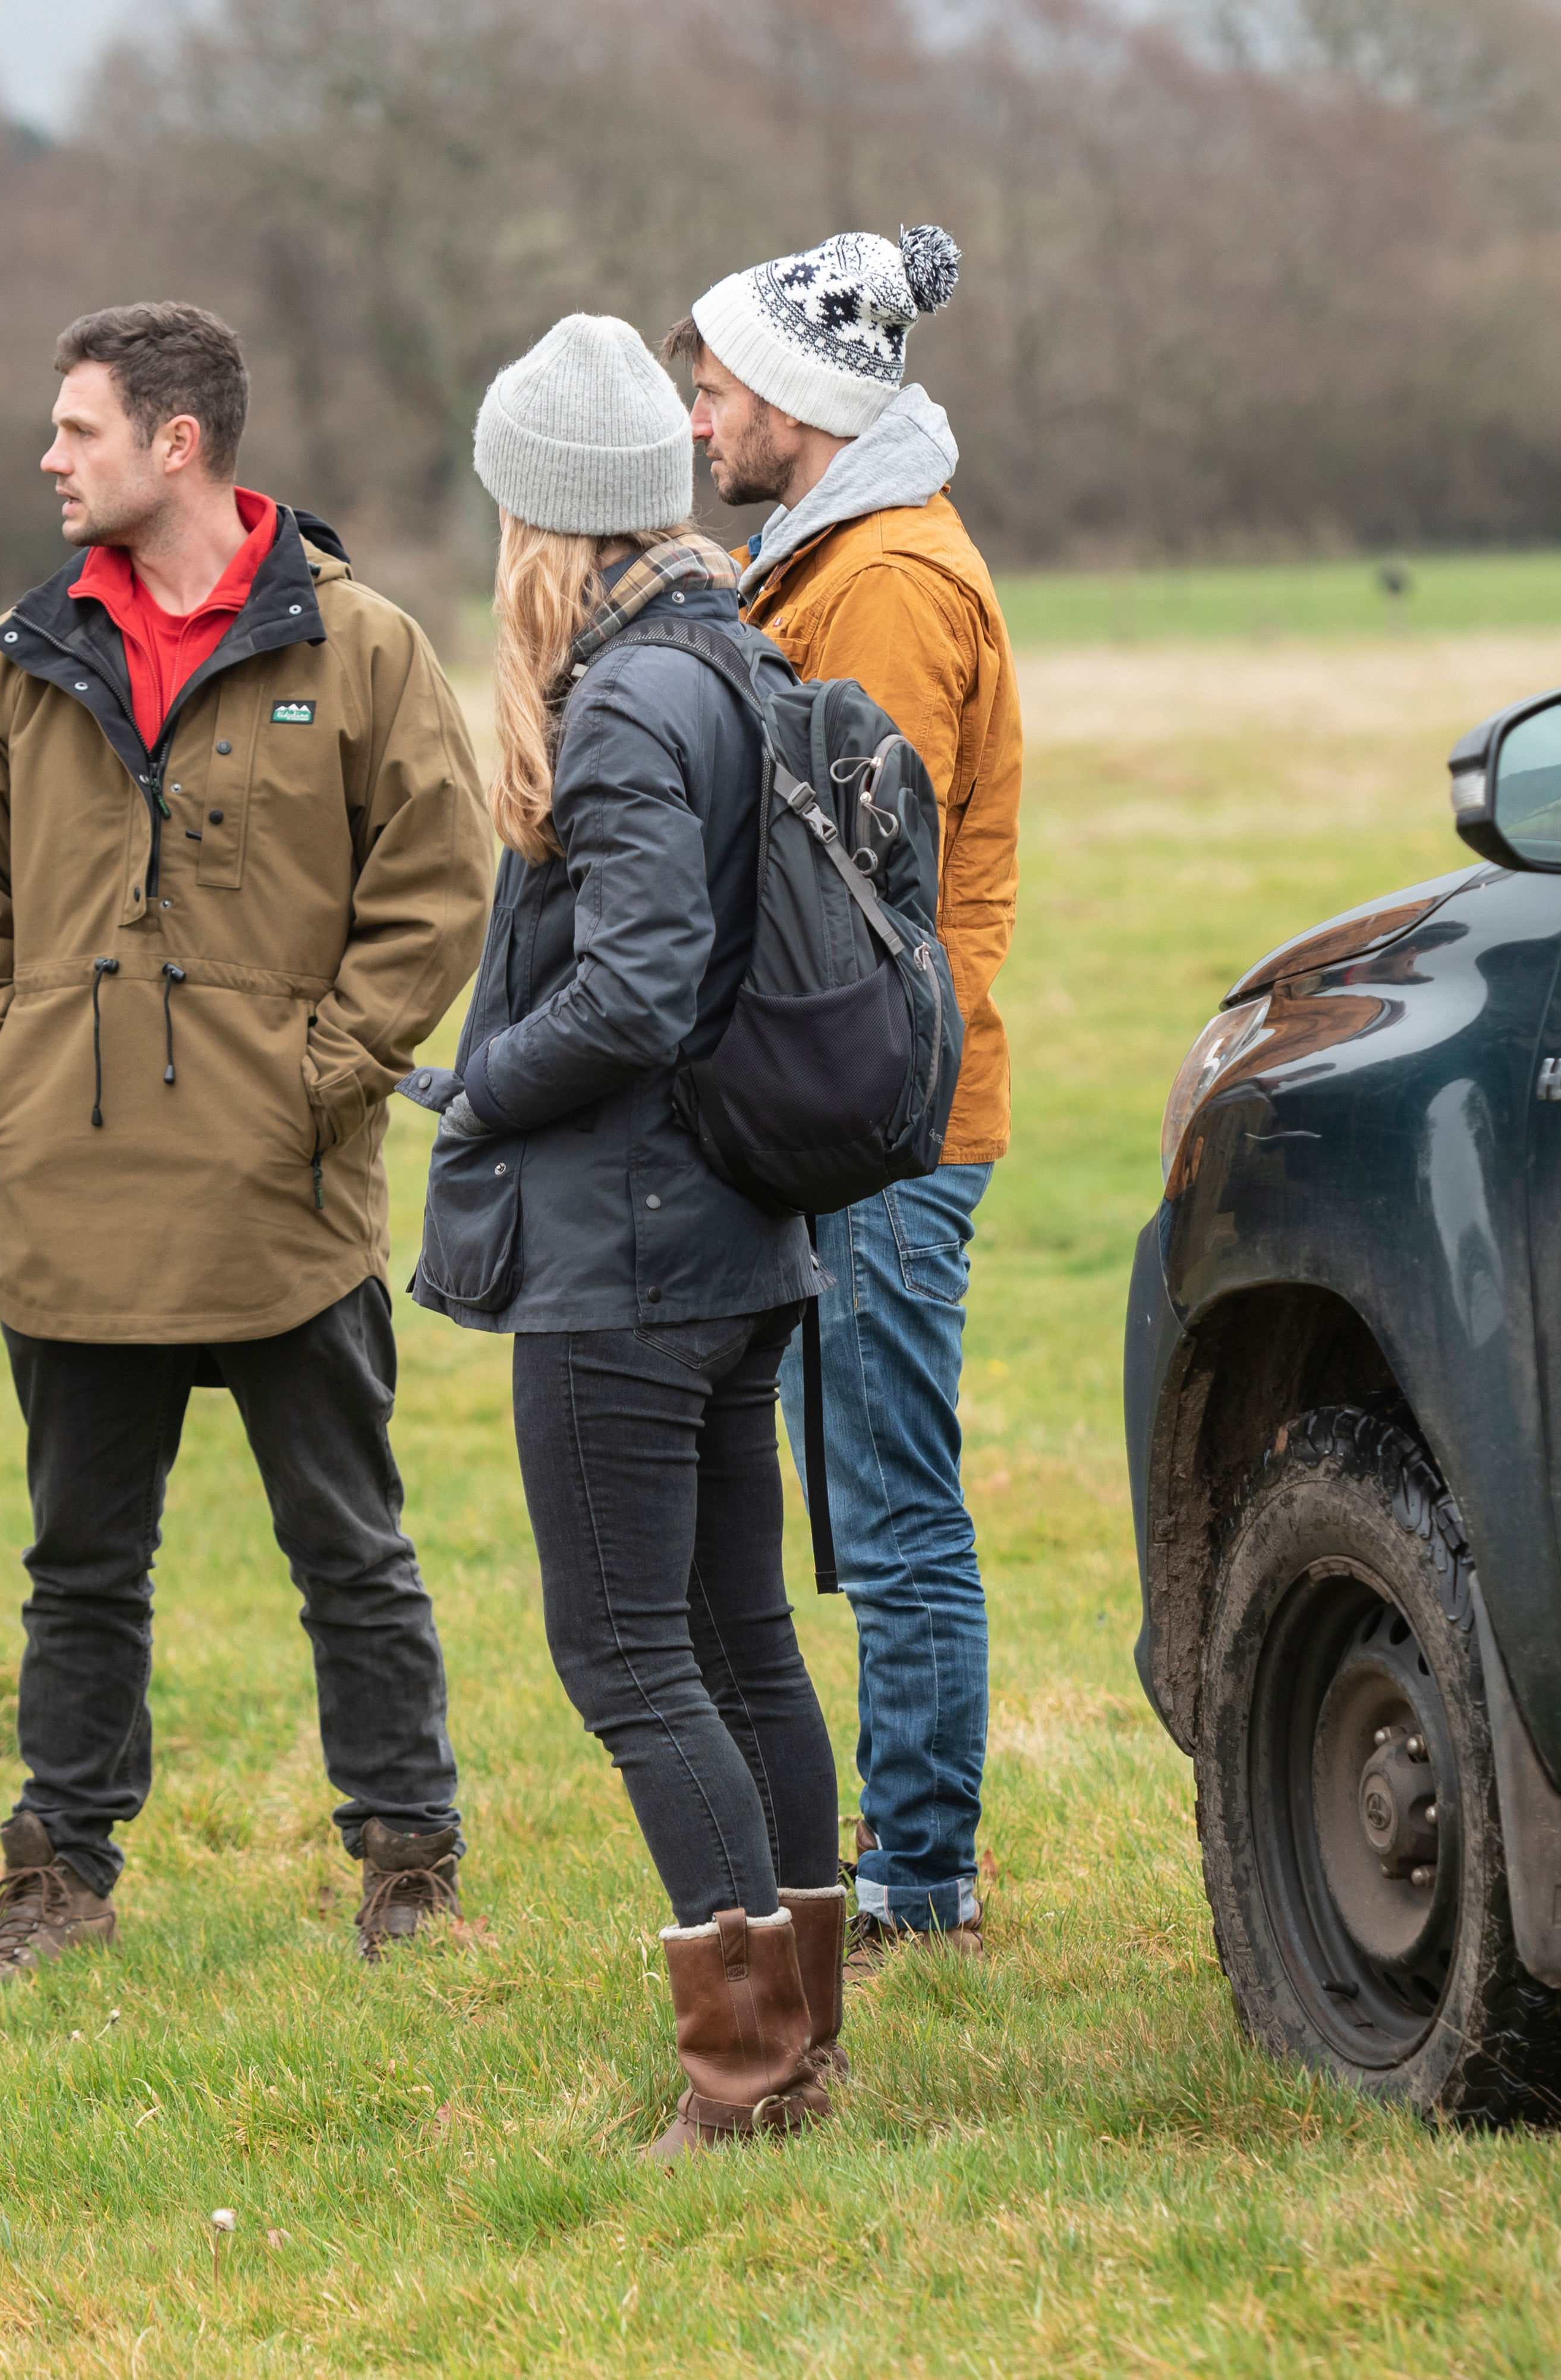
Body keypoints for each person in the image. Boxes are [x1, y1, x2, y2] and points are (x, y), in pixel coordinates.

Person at [0, 303, 493, 1985]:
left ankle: (408, 1858)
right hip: (74, 1207)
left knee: (350, 1548)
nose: (48, 457)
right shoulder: (13, 664)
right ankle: (58, 1876)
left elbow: (438, 888)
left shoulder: (364, 651)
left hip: (285, 1196)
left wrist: (325, 1072)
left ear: (178, 444)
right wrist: (6, 1072)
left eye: (76, 429)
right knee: (81, 1564)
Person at [413, 313, 846, 2160]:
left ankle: (748, 2077)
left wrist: (481, 1082)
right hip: (741, 1236)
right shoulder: (727, 653)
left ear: (543, 520)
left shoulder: (620, 704)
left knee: (629, 1659)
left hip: (635, 1251)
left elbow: (643, 983)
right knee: (742, 1634)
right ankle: (808, 2030)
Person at [667, 226, 1022, 1969]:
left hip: (884, 1114)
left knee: (890, 1507)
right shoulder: (823, 558)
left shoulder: (879, 582)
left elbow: (849, 875)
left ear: (802, 402)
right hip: (853, 1104)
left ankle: (921, 1872)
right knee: (872, 1494)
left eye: (717, 384)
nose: (699, 414)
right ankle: (899, 1849)